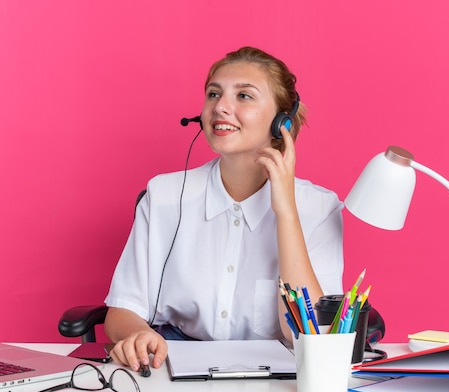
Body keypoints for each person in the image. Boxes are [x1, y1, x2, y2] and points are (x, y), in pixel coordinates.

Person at [104, 46, 344, 372]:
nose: (221, 107)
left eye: (244, 96)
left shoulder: (320, 207)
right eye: (214, 94)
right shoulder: (165, 194)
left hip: (277, 374)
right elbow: (123, 310)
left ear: (281, 122)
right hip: (171, 365)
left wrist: (286, 211)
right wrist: (138, 335)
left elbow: (311, 334)